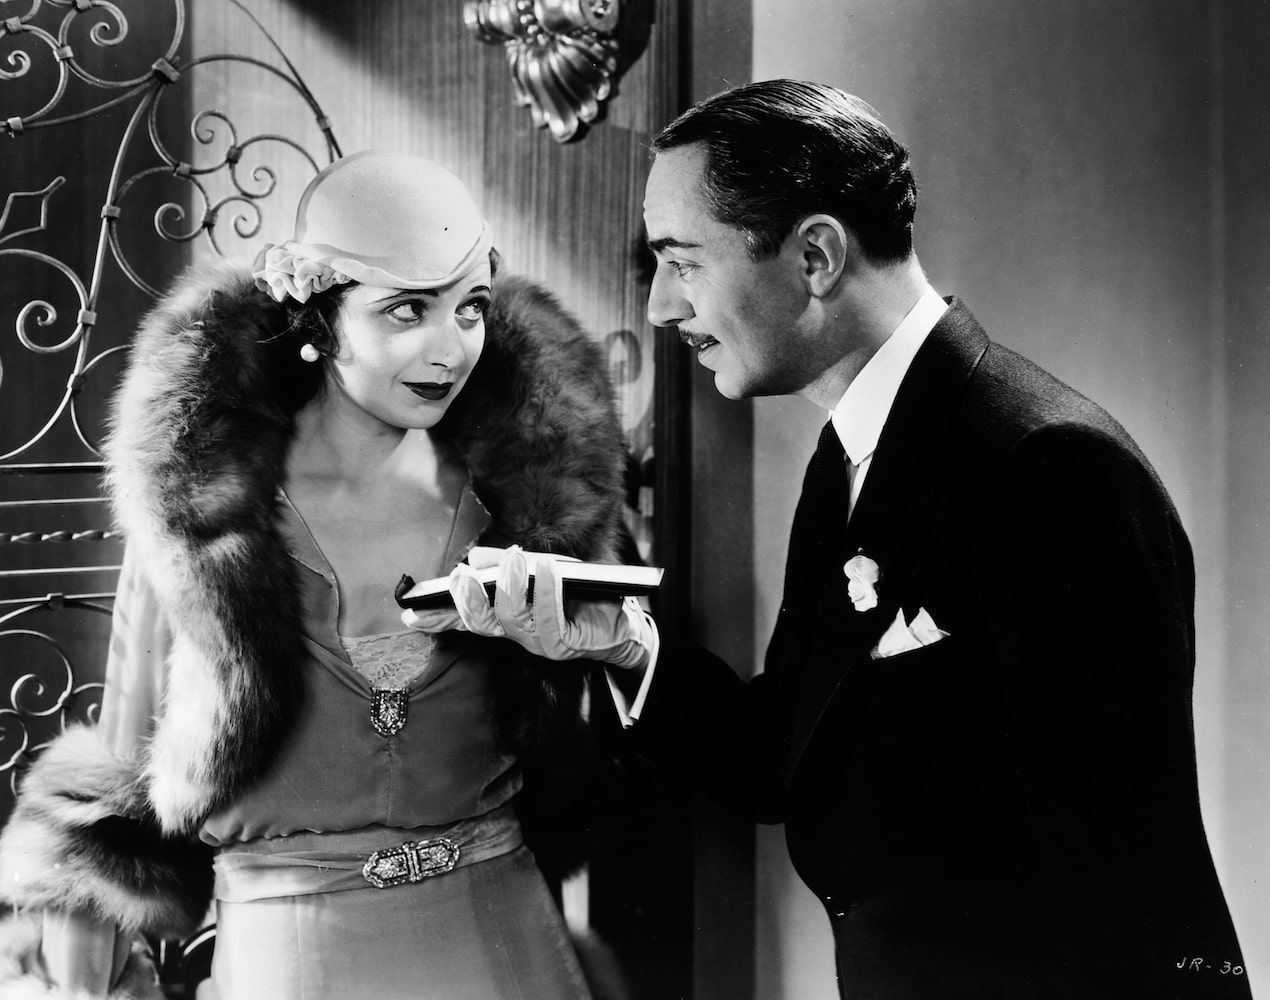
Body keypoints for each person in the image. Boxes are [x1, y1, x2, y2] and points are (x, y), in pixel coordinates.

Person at [415, 81, 1252, 998]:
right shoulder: (847, 458)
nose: (658, 306)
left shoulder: (1052, 468)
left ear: (815, 255)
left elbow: (1135, 886)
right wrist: (618, 643)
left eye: (681, 262)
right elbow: (779, 758)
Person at [0, 149, 655, 999]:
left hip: (508, 948)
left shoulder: (534, 506)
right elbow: (117, 792)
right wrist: (75, 978)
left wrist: (611, 644)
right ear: (319, 318)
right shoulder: (203, 516)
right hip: (288, 962)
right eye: (407, 309)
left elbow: (611, 727)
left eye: (471, 307)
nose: (450, 347)